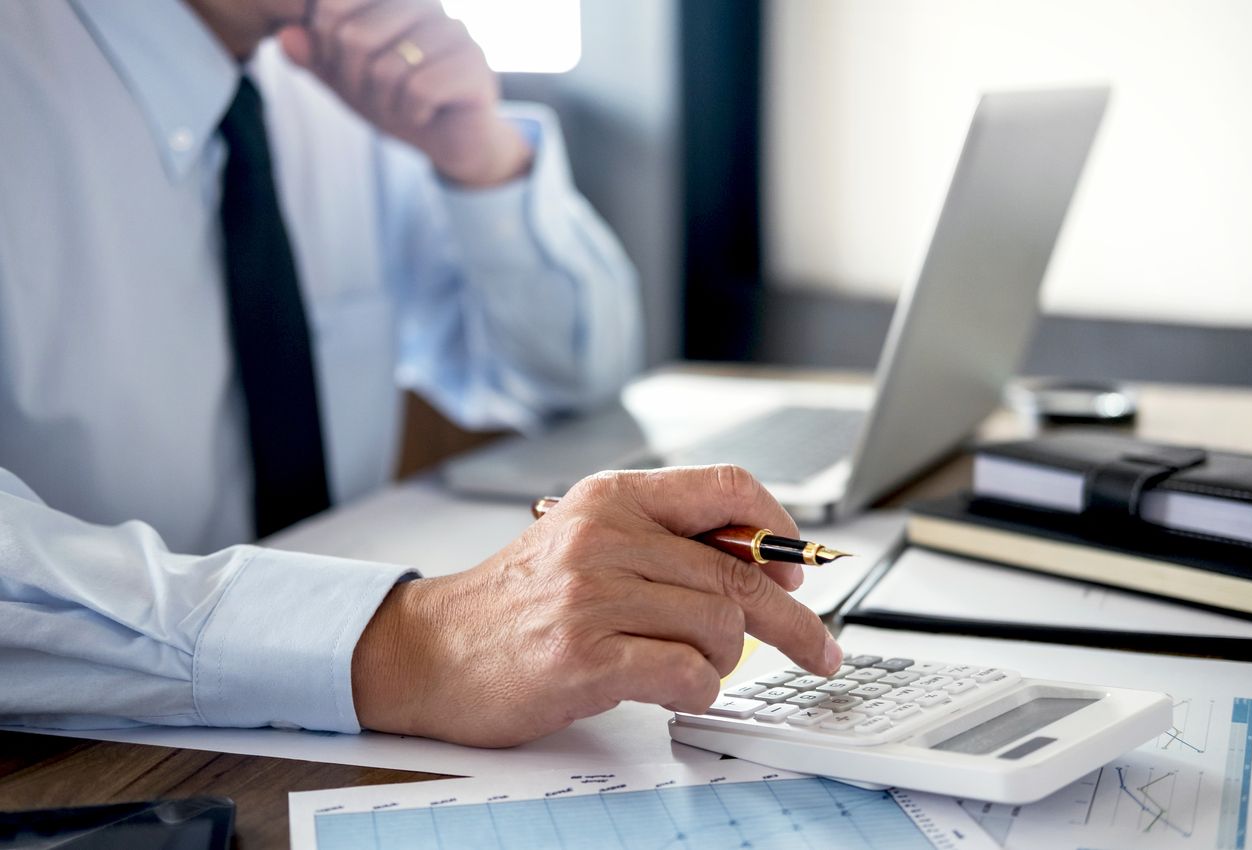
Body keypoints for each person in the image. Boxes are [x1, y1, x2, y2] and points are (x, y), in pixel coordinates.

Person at [0, 0, 840, 744]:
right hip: (82, 753)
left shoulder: (348, 81)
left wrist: (480, 162)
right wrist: (406, 643)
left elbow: (575, 383)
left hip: (337, 736)